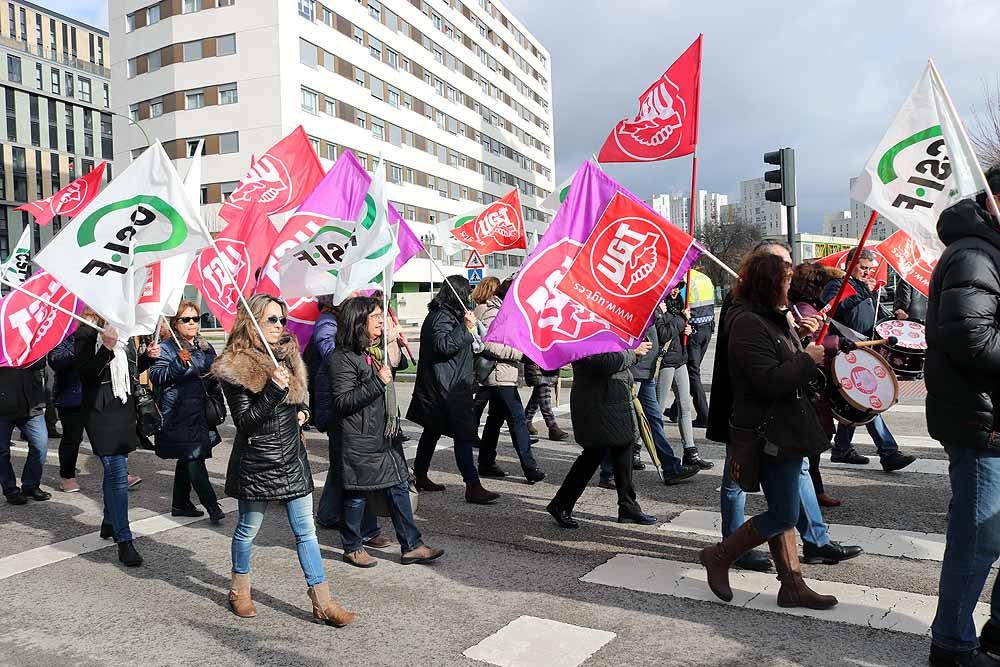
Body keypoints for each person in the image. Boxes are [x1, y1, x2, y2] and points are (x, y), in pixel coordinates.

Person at [707, 241, 861, 574]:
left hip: (780, 417)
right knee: (740, 483)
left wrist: (803, 337)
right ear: (764, 271)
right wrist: (805, 354)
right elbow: (766, 372)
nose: (789, 274)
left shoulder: (775, 308)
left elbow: (784, 354)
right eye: (783, 266)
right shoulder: (744, 311)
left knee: (792, 483)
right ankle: (732, 548)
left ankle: (808, 553)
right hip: (751, 417)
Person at [212, 294, 357, 627]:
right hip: (258, 459)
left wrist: (302, 411)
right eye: (271, 320)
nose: (279, 326)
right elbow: (246, 422)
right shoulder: (235, 364)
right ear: (253, 322)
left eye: (282, 320)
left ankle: (323, 602)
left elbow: (298, 401)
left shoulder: (289, 356)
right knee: (248, 530)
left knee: (306, 531)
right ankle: (240, 590)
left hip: (292, 456)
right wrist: (273, 391)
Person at [927, 170, 1000, 667]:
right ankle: (952, 645)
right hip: (981, 421)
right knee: (977, 540)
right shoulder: (975, 253)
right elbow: (973, 339)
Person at [331, 296, 444, 568]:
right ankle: (352, 546)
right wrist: (377, 382)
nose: (382, 320)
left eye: (381, 315)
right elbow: (342, 402)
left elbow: (398, 364)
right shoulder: (342, 358)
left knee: (399, 487)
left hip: (384, 435)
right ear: (358, 321)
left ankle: (412, 545)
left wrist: (393, 344)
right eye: (375, 316)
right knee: (357, 495)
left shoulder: (372, 352)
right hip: (359, 438)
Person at [821, 248, 915, 472]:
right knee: (866, 401)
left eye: (870, 269)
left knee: (857, 402)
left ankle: (842, 448)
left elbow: (876, 317)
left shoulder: (866, 288)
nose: (867, 272)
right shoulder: (837, 285)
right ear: (850, 264)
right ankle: (888, 452)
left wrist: (895, 318)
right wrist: (864, 293)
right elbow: (835, 309)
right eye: (863, 268)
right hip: (845, 352)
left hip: (863, 351)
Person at [407, 277, 499, 505]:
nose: (468, 297)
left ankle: (420, 474)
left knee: (432, 431)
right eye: (465, 292)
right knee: (463, 434)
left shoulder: (448, 315)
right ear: (456, 294)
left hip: (448, 386)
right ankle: (473, 485)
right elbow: (444, 345)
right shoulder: (441, 317)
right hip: (446, 390)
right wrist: (466, 328)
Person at [546, 343, 659, 529]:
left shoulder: (604, 329)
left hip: (612, 401)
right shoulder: (586, 334)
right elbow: (601, 363)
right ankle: (561, 504)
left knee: (622, 451)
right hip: (598, 403)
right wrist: (632, 354)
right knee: (594, 453)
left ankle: (628, 507)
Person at [75, 310, 155, 567]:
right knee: (117, 473)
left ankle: (110, 520)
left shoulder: (125, 324)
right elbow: (85, 372)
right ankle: (125, 539)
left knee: (116, 472)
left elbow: (130, 368)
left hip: (123, 406)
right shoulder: (88, 327)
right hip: (100, 411)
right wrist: (106, 347)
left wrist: (146, 358)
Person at [149, 301, 225, 524]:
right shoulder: (166, 347)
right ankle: (212, 505)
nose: (192, 323)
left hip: (200, 412)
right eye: (186, 319)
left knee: (188, 457)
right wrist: (177, 365)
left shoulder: (204, 346)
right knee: (193, 457)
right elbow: (157, 377)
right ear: (175, 323)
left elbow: (212, 378)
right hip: (178, 413)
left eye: (196, 319)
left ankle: (180, 503)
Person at [475, 278, 545, 483]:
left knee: (494, 421)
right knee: (518, 422)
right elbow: (487, 344)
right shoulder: (493, 312)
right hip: (499, 375)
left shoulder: (502, 311)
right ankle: (530, 468)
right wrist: (519, 354)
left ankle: (486, 463)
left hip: (503, 375)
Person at [788, 263, 846, 508]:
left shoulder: (809, 307)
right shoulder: (804, 309)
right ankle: (810, 492)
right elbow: (811, 345)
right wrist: (838, 341)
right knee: (811, 442)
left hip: (815, 382)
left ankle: (813, 489)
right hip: (810, 384)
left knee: (815, 442)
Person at [626, 298, 700, 486]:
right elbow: (661, 331)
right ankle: (610, 470)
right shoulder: (640, 303)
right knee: (629, 423)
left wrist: (684, 326)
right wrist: (669, 316)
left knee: (653, 420)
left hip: (647, 370)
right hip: (636, 369)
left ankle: (670, 467)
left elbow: (664, 331)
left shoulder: (657, 305)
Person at [659, 283, 713, 470]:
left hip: (680, 358)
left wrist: (687, 331)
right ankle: (638, 449)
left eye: (678, 287)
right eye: (672, 287)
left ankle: (691, 451)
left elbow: (677, 329)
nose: (675, 291)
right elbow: (663, 333)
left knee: (685, 406)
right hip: (664, 361)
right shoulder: (659, 306)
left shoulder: (679, 303)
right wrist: (682, 320)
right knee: (656, 411)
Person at [0, 362, 50, 505]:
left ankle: (31, 485)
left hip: (30, 404)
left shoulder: (26, 338)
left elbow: (40, 361)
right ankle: (10, 490)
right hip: (2, 406)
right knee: (2, 452)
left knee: (40, 445)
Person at [49, 335, 84, 493]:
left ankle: (119, 473)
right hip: (71, 394)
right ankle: (67, 476)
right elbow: (55, 359)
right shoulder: (64, 335)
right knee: (73, 437)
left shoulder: (101, 334)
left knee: (107, 434)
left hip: (97, 394)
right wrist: (79, 347)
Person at [685, 267, 715, 427]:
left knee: (692, 372)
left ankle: (704, 416)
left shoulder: (684, 280)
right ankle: (676, 409)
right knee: (693, 370)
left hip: (693, 332)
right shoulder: (705, 278)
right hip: (707, 329)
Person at [524, 359, 568, 441]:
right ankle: (552, 427)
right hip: (536, 364)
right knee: (544, 394)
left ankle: (526, 420)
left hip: (549, 364)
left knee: (538, 395)